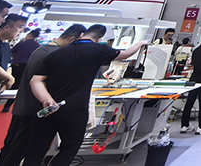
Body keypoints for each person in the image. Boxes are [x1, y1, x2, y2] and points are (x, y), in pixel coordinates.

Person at [24, 24, 147, 166]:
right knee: (70, 147)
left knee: (36, 148)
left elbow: (36, 81)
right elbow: (125, 54)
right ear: (99, 39)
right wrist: (141, 43)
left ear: (81, 35)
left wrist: (47, 100)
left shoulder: (56, 53)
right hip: (75, 110)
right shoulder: (99, 50)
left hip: (48, 109)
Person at [0, 24, 86, 166]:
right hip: (33, 109)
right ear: (72, 39)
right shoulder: (54, 54)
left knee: (12, 147)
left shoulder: (42, 50)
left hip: (24, 106)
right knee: (19, 149)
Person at [0, 28, 40, 113]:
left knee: (6, 83)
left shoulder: (22, 43)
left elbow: (11, 52)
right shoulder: (38, 46)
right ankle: (7, 107)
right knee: (17, 87)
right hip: (26, 69)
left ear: (29, 35)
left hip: (15, 66)